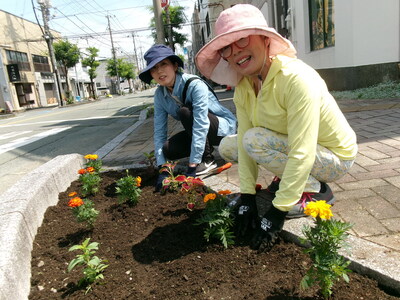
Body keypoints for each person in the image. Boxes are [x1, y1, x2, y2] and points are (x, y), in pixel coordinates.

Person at [195, 4, 357, 252]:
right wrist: (247, 196)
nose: (236, 51)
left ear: (264, 38)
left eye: (242, 39)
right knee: (231, 144)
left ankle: (315, 190)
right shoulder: (244, 87)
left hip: (333, 157)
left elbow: (301, 150)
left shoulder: (296, 78)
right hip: (299, 148)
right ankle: (289, 181)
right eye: (227, 47)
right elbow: (243, 146)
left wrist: (277, 211)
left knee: (254, 140)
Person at [139, 44, 237, 192]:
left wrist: (192, 165)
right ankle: (201, 153)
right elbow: (159, 131)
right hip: (200, 130)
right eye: (154, 68)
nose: (159, 71)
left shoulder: (194, 84)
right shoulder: (160, 95)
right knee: (168, 150)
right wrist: (163, 168)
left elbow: (200, 123)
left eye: (163, 64)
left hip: (221, 129)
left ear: (175, 65)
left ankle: (207, 159)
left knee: (185, 112)